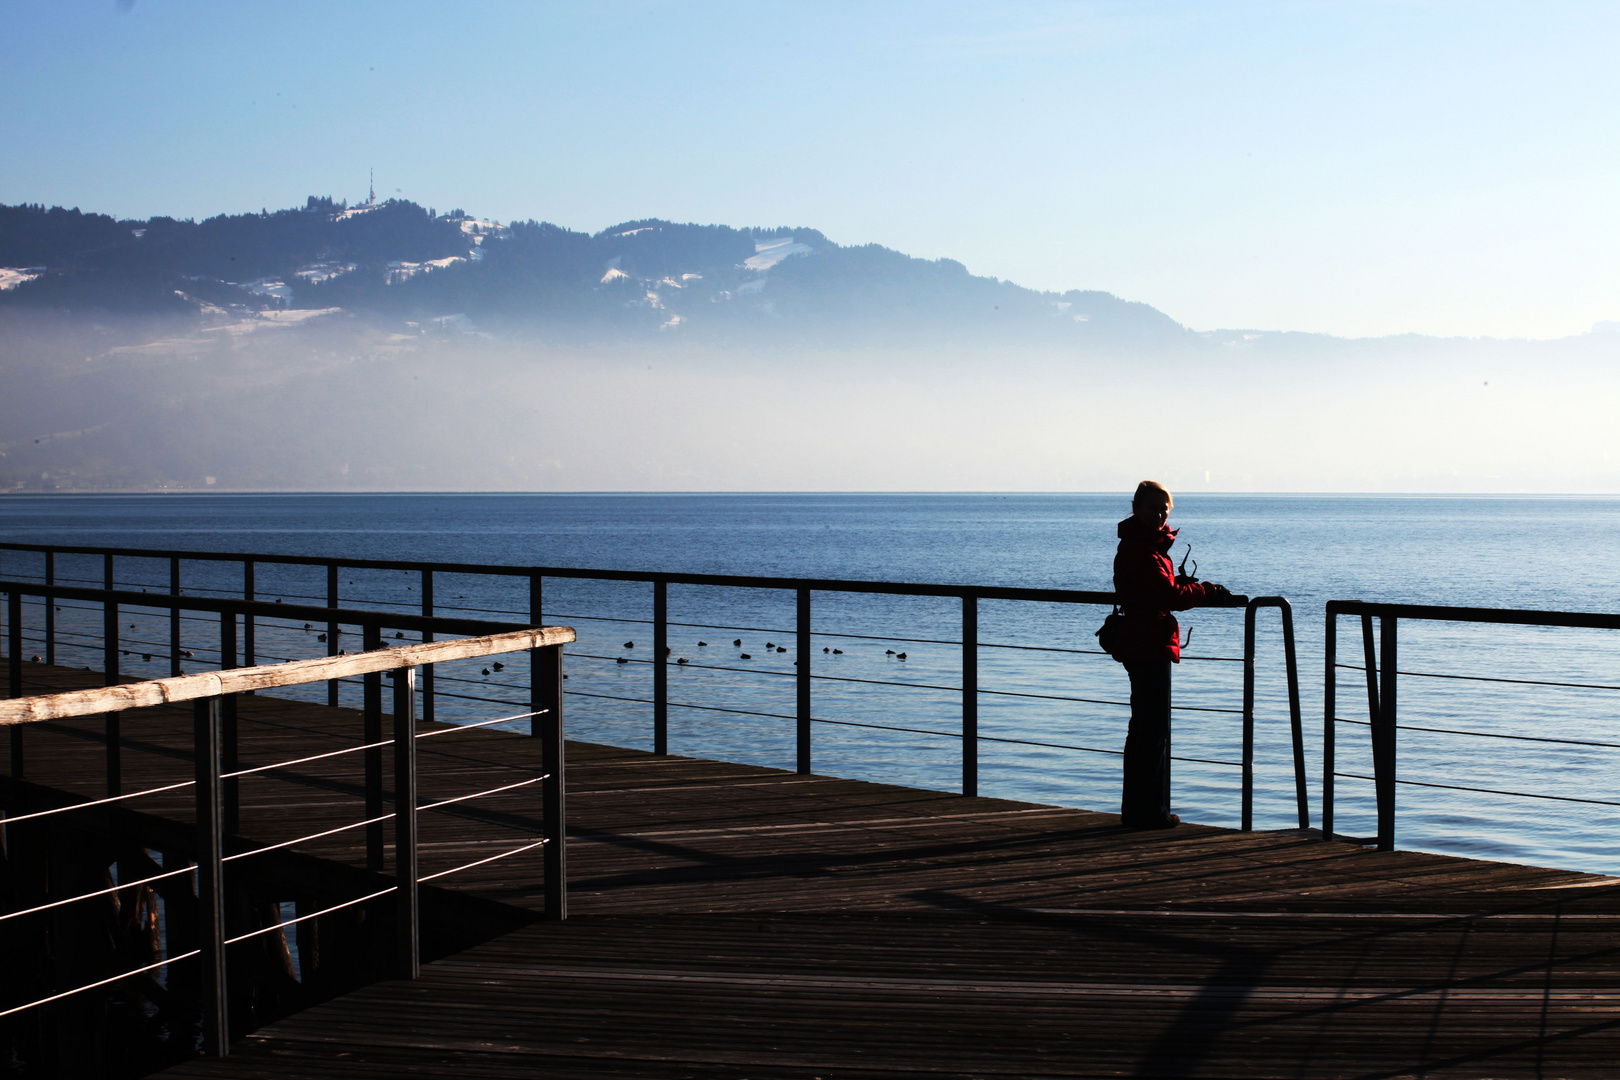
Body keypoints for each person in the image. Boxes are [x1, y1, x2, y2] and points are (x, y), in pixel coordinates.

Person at [1112, 481, 1229, 828]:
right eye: (1152, 507)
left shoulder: (1142, 545)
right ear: (1136, 508)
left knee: (1145, 730)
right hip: (1147, 643)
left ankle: (1141, 809)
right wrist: (1207, 591)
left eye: (1164, 508)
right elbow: (1167, 595)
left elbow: (1163, 590)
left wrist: (1190, 589)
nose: (1159, 514)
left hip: (1142, 640)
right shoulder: (1141, 549)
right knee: (1152, 731)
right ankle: (1148, 812)